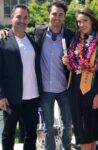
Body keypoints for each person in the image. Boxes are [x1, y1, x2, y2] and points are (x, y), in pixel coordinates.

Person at [29, 2, 74, 150]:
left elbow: (77, 61)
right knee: (48, 127)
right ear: (49, 15)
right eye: (54, 14)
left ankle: (66, 147)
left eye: (60, 14)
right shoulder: (39, 32)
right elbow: (19, 34)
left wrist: (69, 63)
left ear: (64, 17)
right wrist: (4, 31)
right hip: (45, 89)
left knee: (67, 124)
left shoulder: (70, 35)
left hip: (64, 88)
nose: (57, 17)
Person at [63, 8, 98, 150]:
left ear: (92, 20)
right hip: (75, 89)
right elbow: (74, 68)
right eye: (79, 22)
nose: (81, 24)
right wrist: (68, 64)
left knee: (90, 128)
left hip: (92, 89)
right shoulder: (75, 40)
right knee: (81, 129)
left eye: (85, 21)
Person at [0, 4, 41, 150]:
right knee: (8, 133)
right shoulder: (3, 40)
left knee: (31, 133)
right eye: (18, 17)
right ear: (11, 18)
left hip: (33, 97)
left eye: (25, 17)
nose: (22, 20)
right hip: (11, 98)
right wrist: (1, 95)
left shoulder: (33, 39)